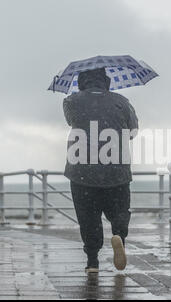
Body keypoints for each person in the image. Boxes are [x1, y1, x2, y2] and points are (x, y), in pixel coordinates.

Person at [63, 68, 138, 273]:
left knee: (88, 217)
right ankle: (119, 236)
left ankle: (92, 260)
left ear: (81, 82)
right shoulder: (121, 101)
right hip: (117, 169)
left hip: (82, 171)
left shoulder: (71, 101)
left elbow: (71, 121)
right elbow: (133, 131)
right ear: (106, 81)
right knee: (120, 211)